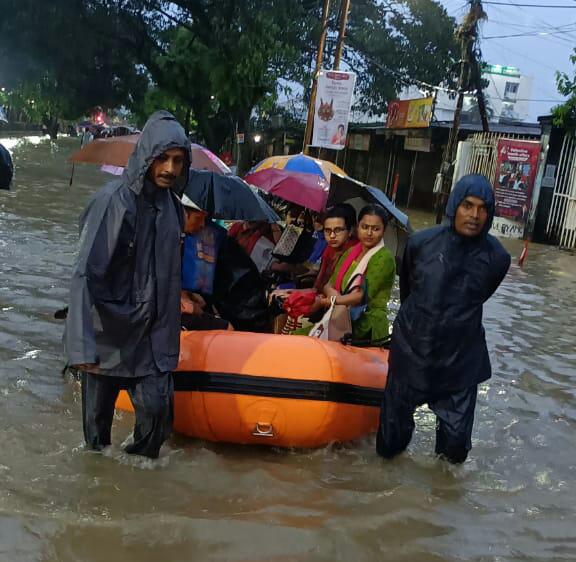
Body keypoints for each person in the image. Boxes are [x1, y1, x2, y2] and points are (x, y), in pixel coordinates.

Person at [64, 110, 190, 459]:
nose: (170, 169)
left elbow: (169, 275)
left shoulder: (174, 209)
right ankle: (102, 482)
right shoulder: (112, 202)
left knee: (157, 419)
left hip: (152, 339)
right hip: (107, 334)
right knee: (96, 441)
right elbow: (84, 273)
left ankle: (135, 478)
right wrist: (80, 346)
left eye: (178, 160)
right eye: (162, 158)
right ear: (147, 156)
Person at [376, 174, 511, 464]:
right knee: (390, 443)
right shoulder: (420, 243)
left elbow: (478, 297)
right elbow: (409, 290)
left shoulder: (498, 257)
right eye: (467, 205)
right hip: (412, 351)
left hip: (460, 361)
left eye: (482, 209)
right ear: (454, 206)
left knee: (454, 453)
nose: (474, 215)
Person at [317, 204, 395, 342]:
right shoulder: (352, 251)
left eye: (375, 229)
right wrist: (334, 296)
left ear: (384, 230)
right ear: (357, 227)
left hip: (366, 326)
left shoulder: (384, 258)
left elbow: (361, 296)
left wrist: (332, 300)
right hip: (341, 317)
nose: (369, 233)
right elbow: (329, 284)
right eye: (365, 227)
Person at [179, 194, 232, 331]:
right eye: (198, 218)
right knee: (227, 328)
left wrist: (188, 294)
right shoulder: (167, 240)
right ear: (183, 214)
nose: (202, 224)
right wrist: (187, 304)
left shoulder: (180, 240)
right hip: (168, 313)